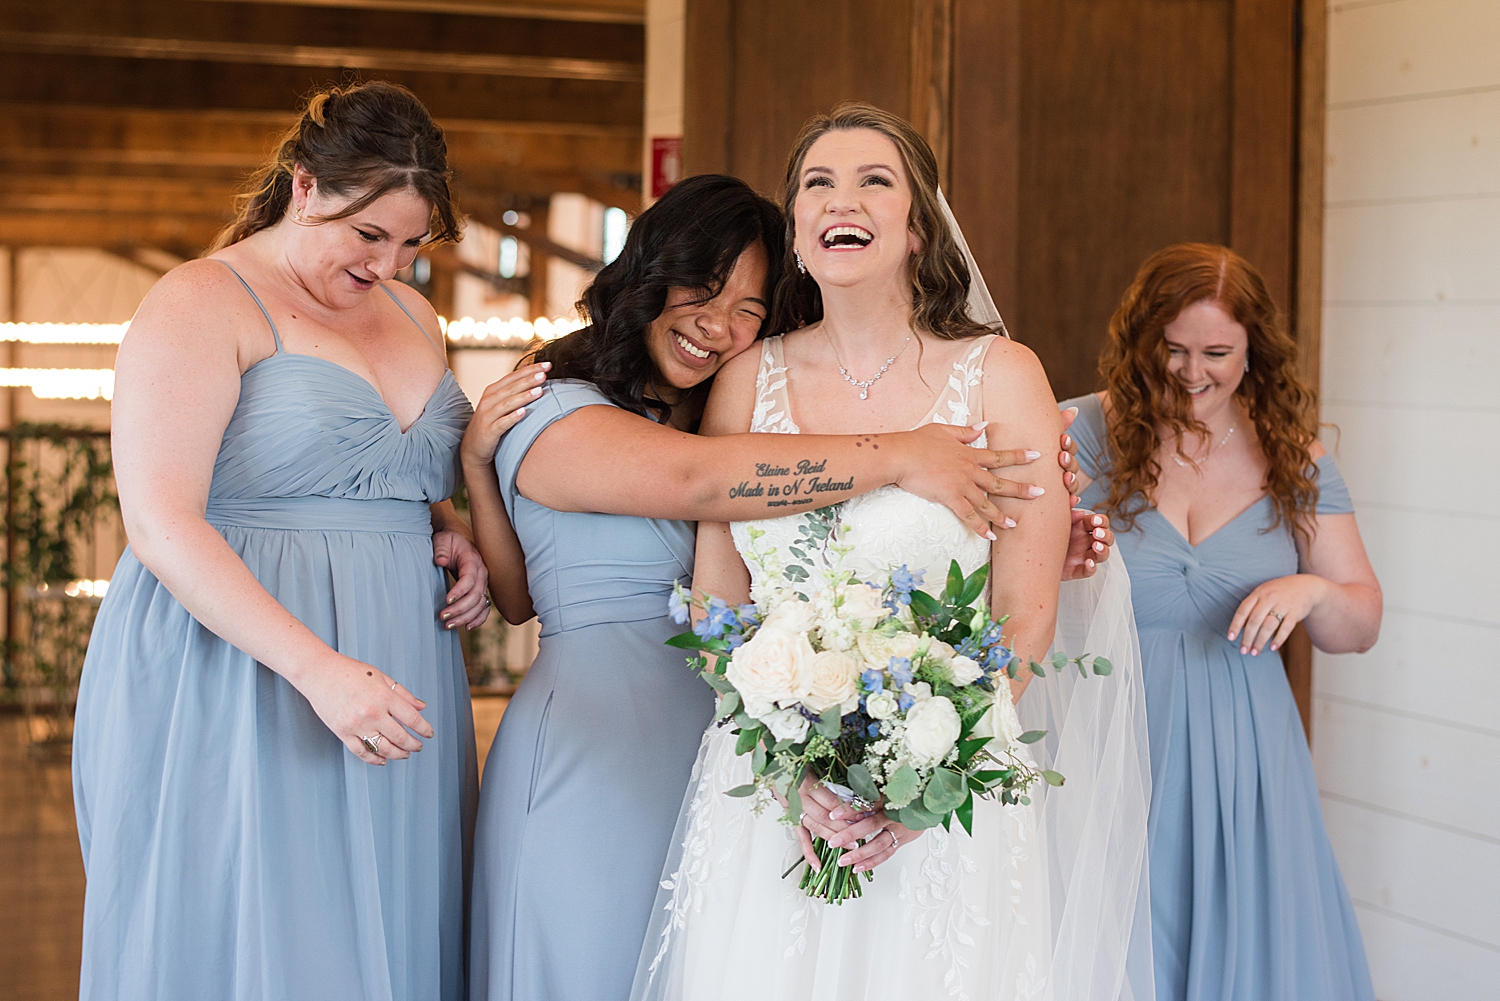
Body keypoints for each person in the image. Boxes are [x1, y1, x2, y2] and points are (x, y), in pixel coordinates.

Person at [460, 173, 1111, 1001]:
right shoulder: (550, 410)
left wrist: (1027, 527)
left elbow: (813, 545)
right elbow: (702, 486)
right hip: (598, 758)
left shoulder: (716, 414)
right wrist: (910, 450)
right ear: (648, 272)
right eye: (701, 288)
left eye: (750, 313)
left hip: (748, 762)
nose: (718, 326)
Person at [632, 105, 1153, 1001]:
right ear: (796, 230)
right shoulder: (746, 380)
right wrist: (795, 776)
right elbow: (721, 609)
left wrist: (920, 785)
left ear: (918, 229)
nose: (846, 199)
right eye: (818, 184)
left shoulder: (1001, 376)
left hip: (943, 804)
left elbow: (1022, 625)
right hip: (772, 795)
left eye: (877, 180)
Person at [72, 81, 490, 1001]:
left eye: (413, 242)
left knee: (391, 912)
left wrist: (443, 520)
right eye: (367, 235)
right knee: (264, 927)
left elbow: (385, 462)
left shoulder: (419, 316)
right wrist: (319, 671)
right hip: (244, 660)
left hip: (401, 653)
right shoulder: (198, 302)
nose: (390, 264)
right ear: (303, 188)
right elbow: (158, 519)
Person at [1059, 243, 1382, 1001]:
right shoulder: (1076, 433)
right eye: (1170, 349)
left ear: (1253, 352)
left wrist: (1310, 590)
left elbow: (1359, 622)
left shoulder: (1294, 461)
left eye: (1216, 352)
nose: (1190, 372)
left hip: (1249, 765)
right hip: (1114, 740)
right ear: (1140, 342)